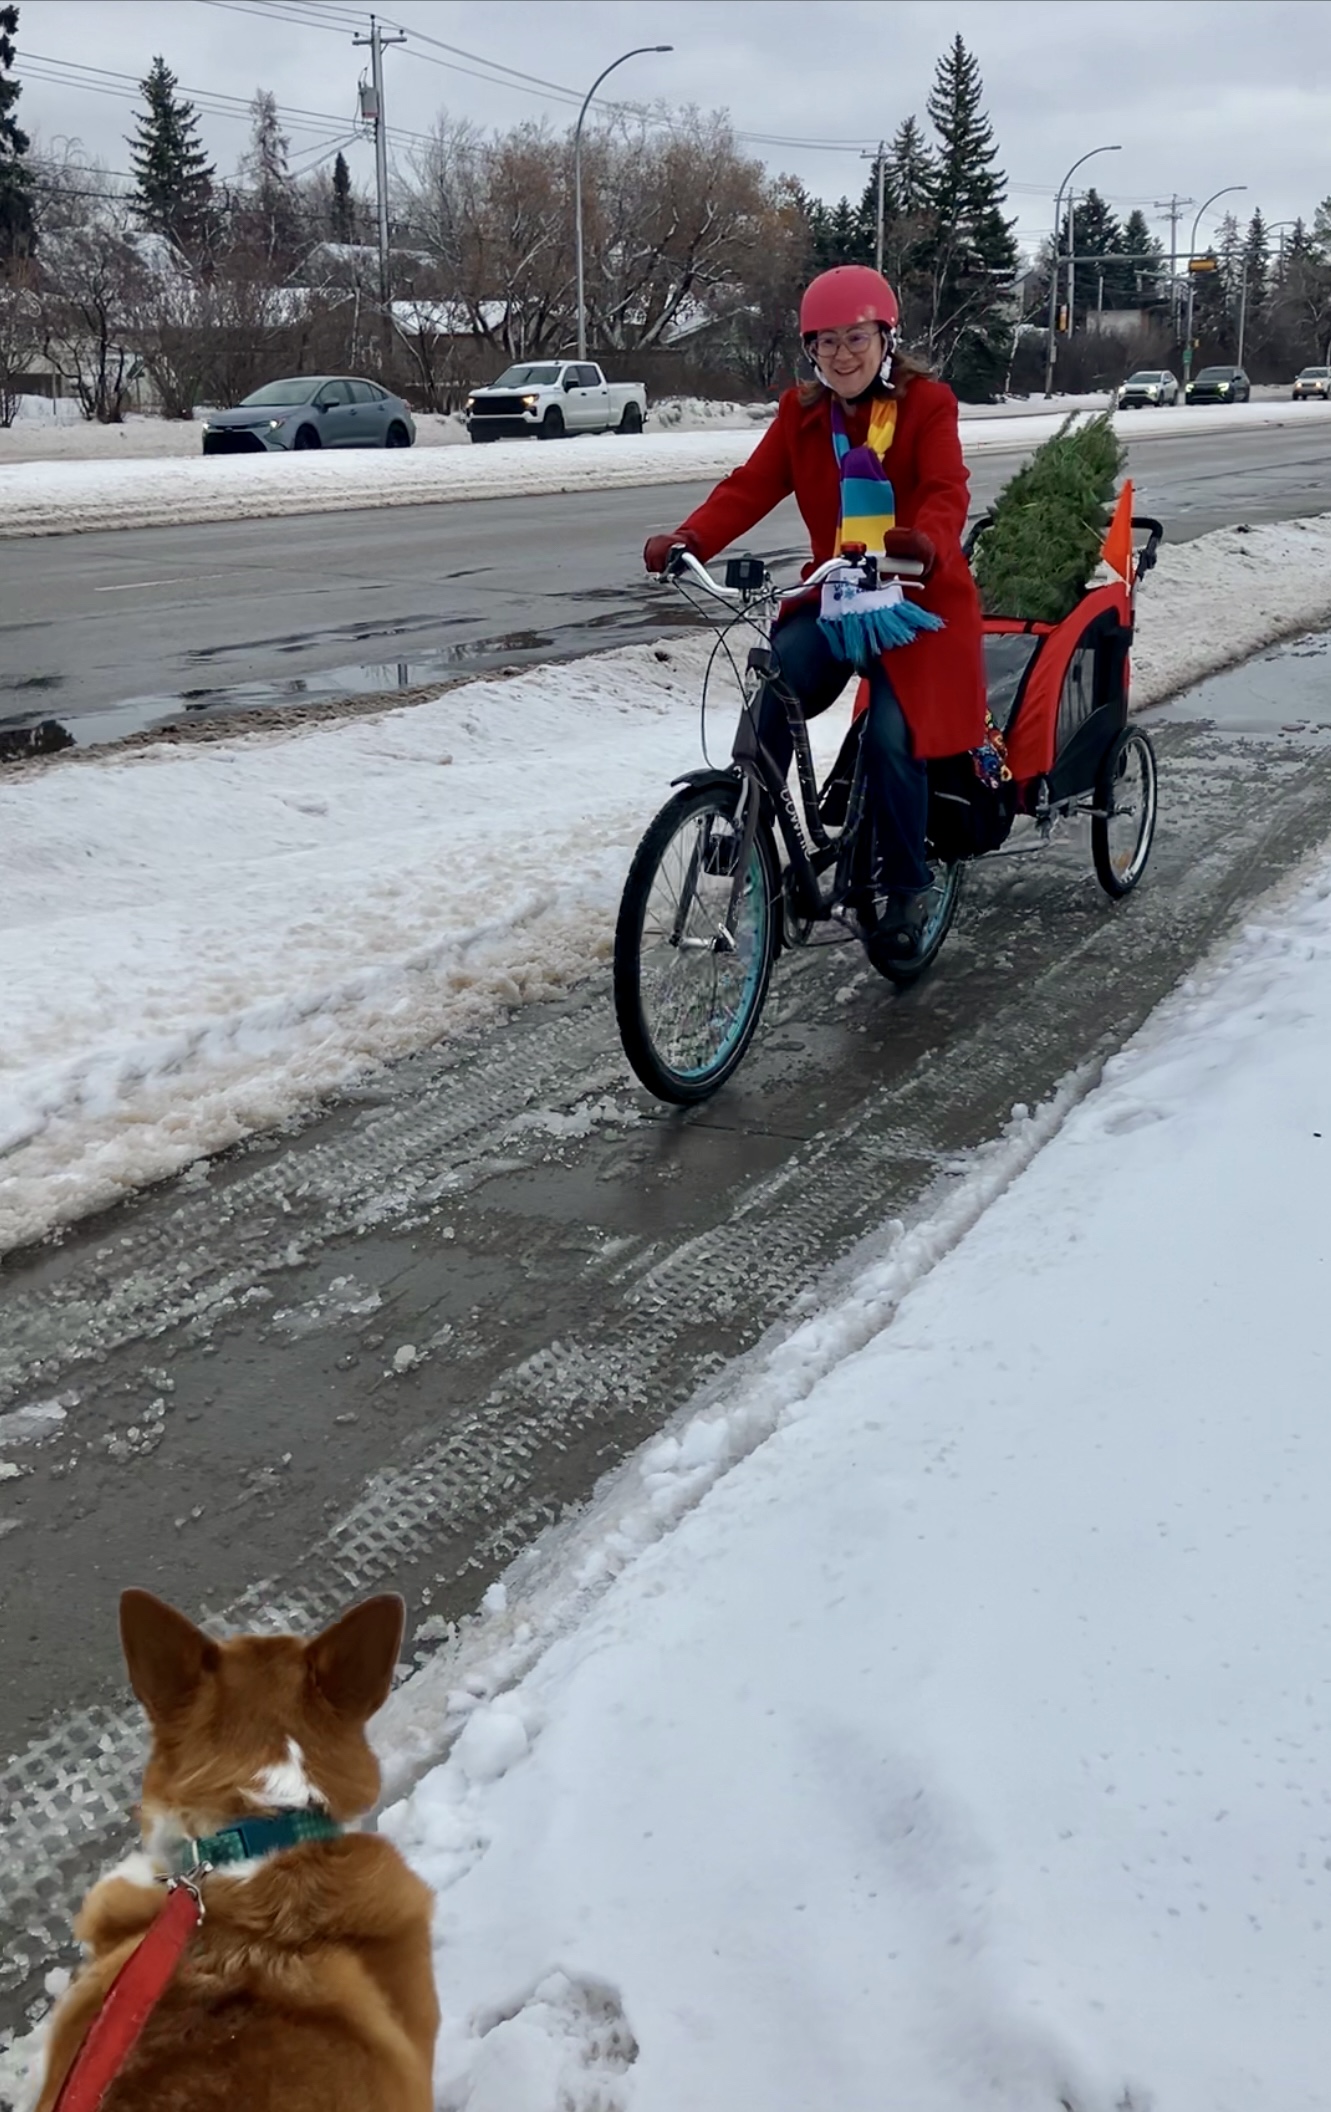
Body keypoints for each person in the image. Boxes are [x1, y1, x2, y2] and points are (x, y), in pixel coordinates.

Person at [643, 264, 986, 957]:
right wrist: (689, 538)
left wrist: (923, 543)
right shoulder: (801, 416)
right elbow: (749, 487)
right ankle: (749, 837)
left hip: (919, 599)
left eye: (854, 336)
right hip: (837, 595)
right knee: (775, 689)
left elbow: (947, 490)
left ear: (885, 337)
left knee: (894, 734)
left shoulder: (927, 405)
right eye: (823, 342)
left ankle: (907, 891)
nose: (840, 354)